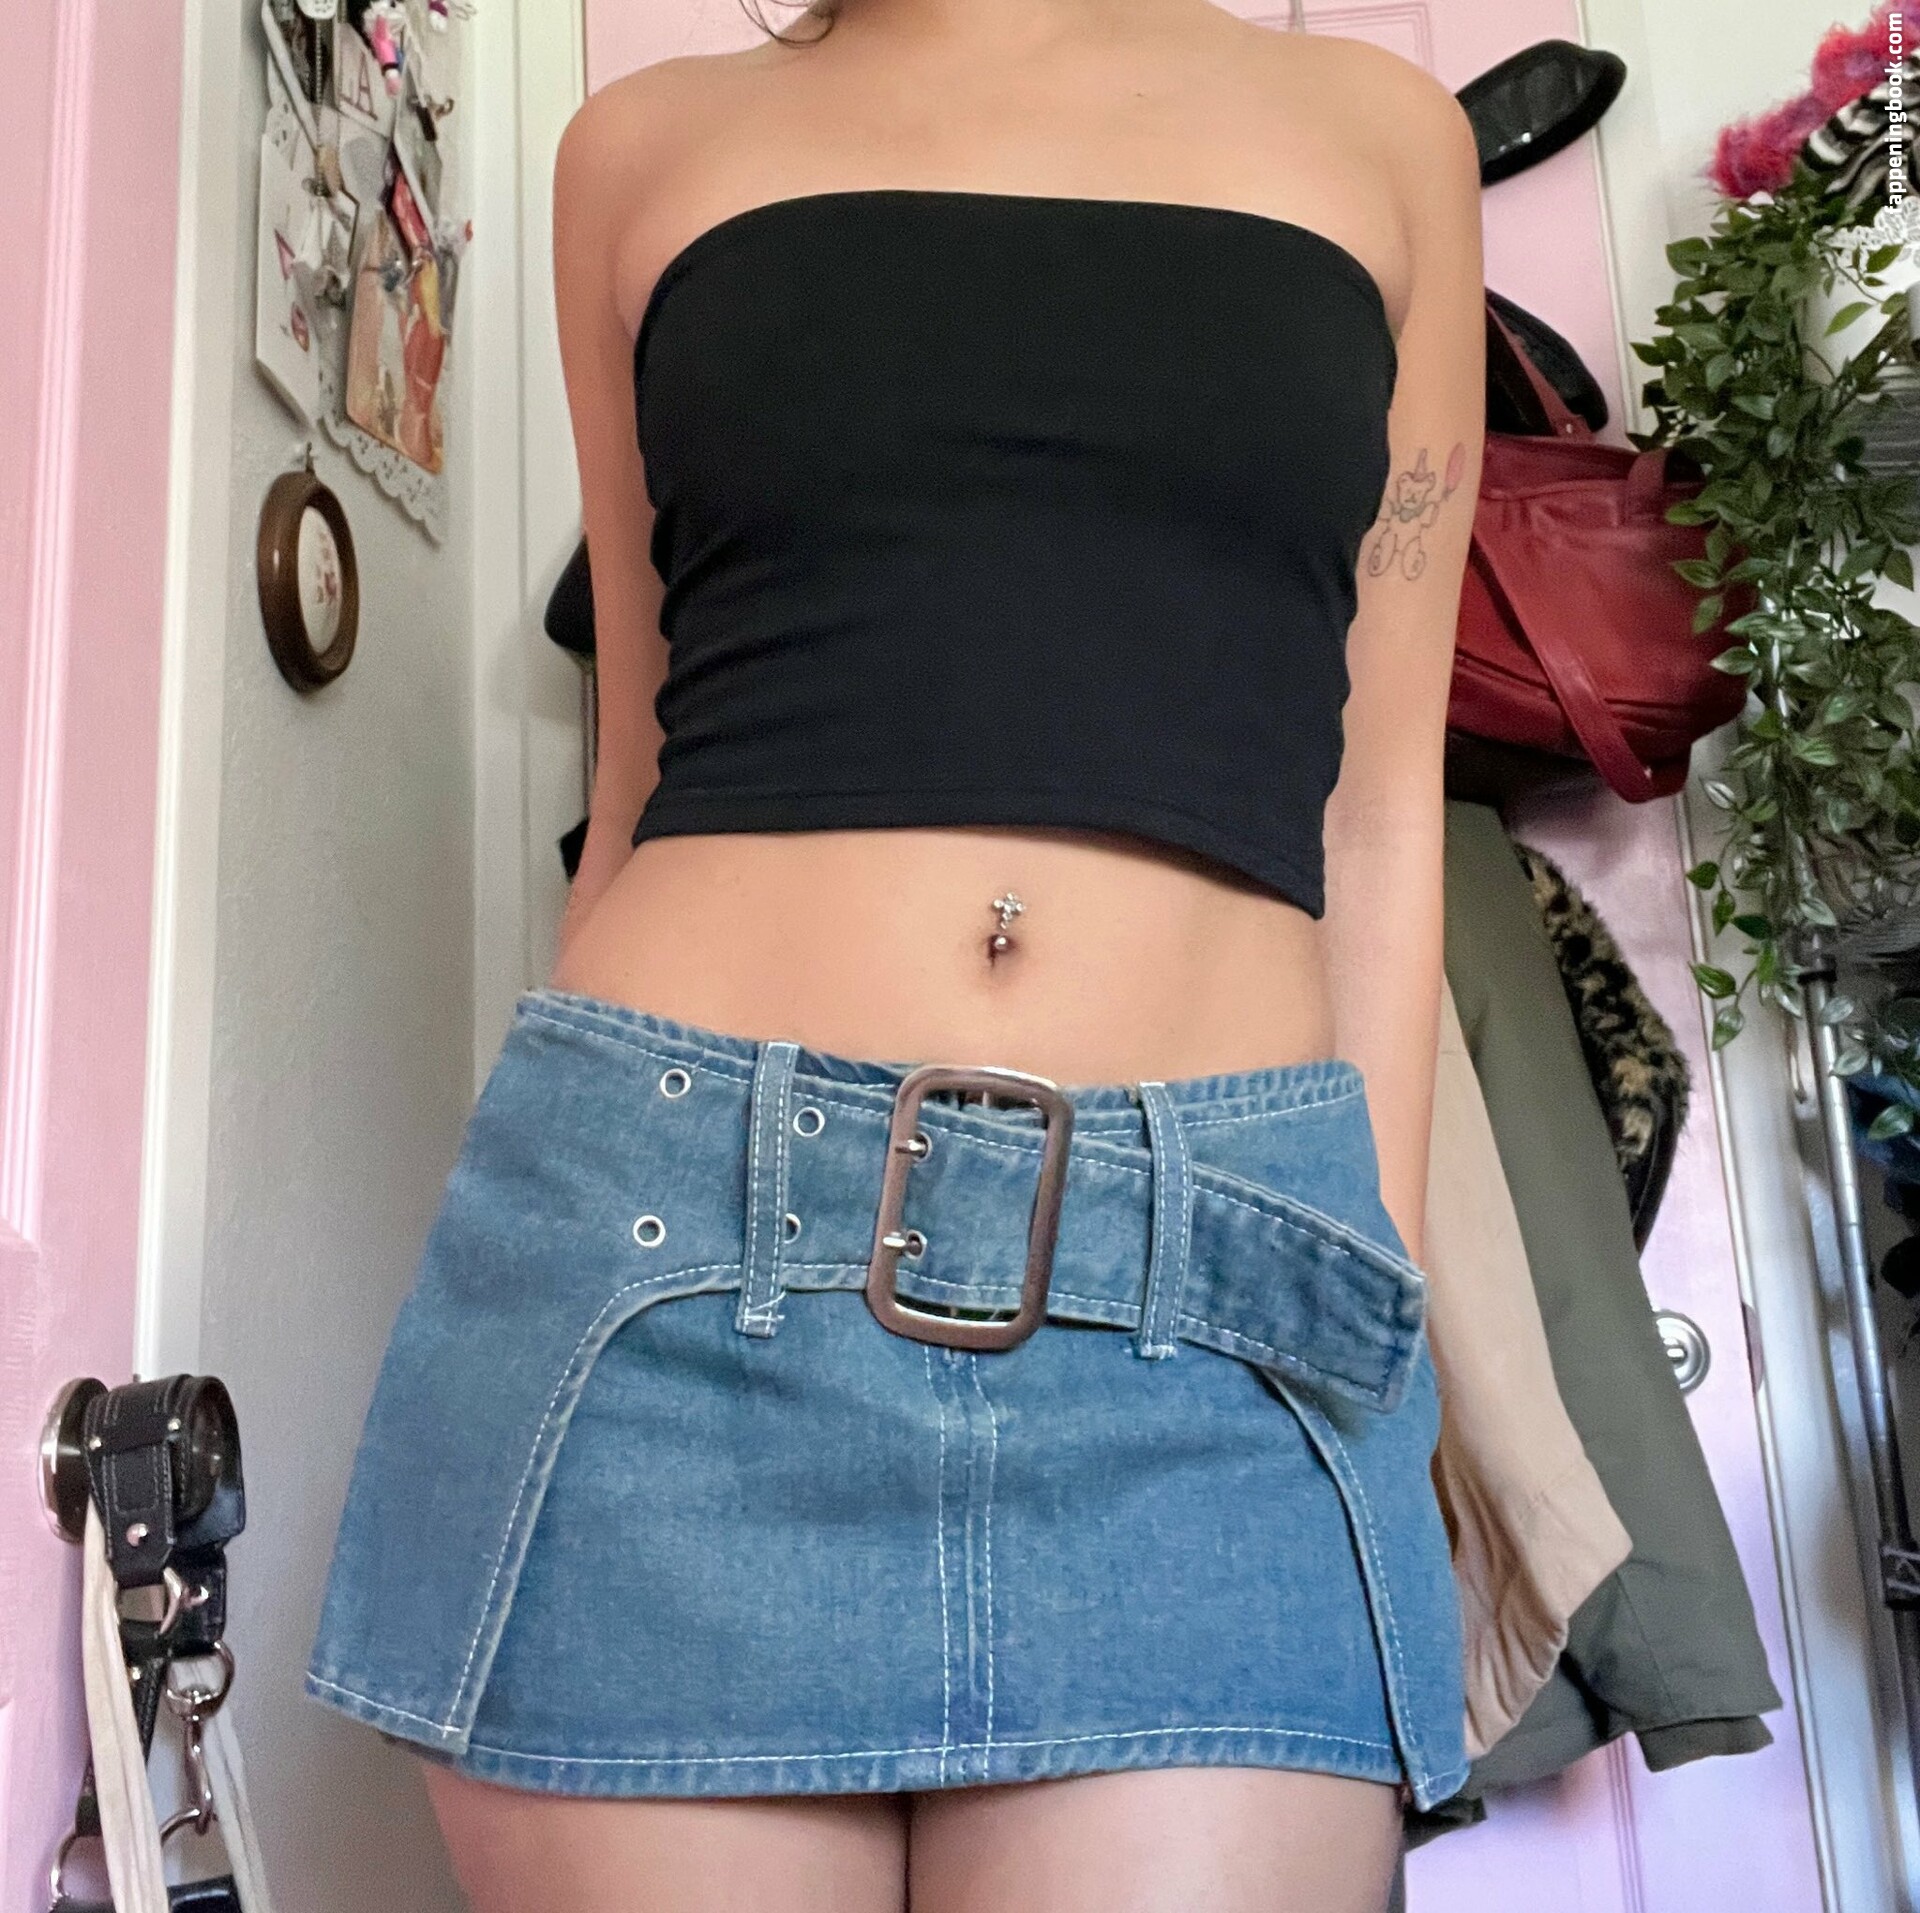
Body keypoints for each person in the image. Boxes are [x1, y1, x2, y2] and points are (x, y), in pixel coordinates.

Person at [304, 1, 1486, 1906]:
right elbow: (639, 769)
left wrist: (1375, 1321)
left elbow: (1376, 818)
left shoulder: (1389, 140)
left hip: (1214, 1304)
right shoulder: (640, 148)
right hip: (668, 1266)